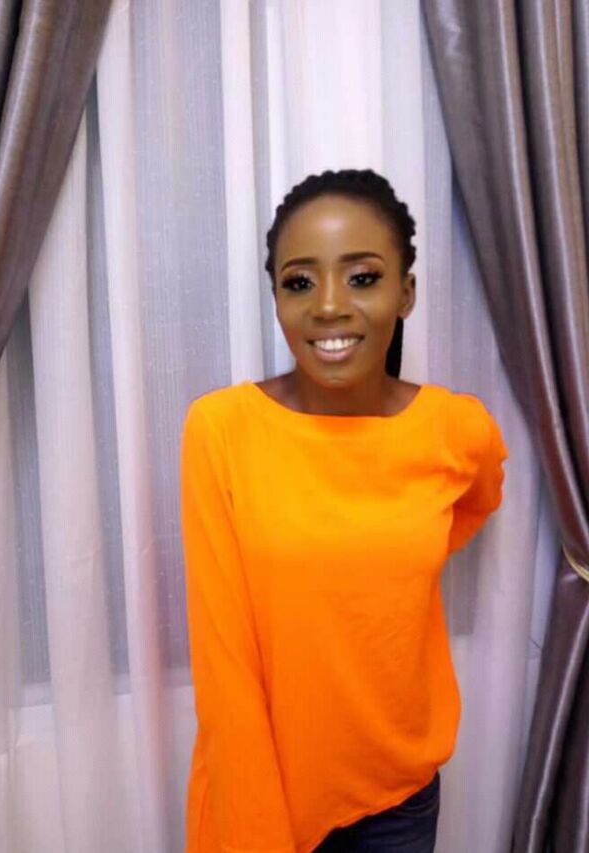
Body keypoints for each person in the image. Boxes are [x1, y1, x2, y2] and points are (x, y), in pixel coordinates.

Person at [179, 168, 509, 853]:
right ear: (276, 299)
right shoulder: (221, 429)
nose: (329, 305)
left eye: (362, 277)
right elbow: (222, 659)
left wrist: (381, 551)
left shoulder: (457, 429)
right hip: (268, 785)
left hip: (400, 797)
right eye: (300, 282)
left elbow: (473, 502)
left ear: (405, 292)